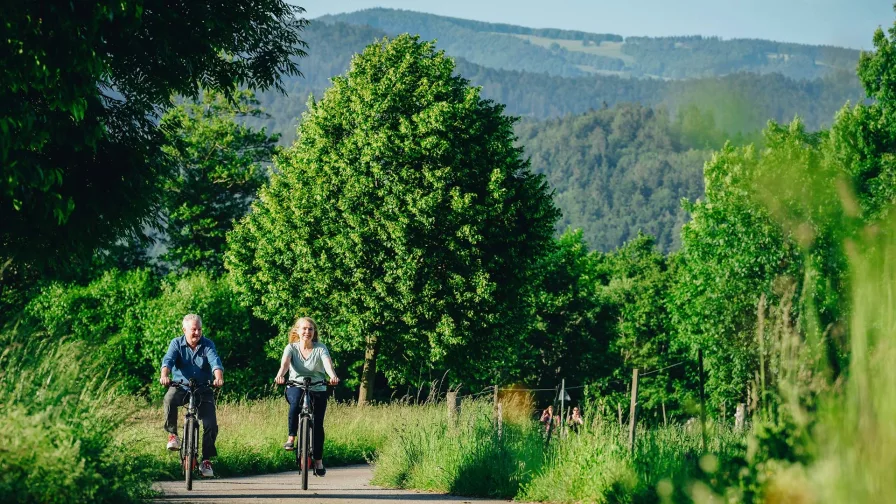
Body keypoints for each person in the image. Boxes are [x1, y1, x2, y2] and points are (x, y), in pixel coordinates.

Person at [159, 314, 224, 478]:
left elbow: (215, 361)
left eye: (199, 329)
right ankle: (173, 434)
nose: (197, 333)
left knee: (211, 424)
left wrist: (218, 378)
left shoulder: (207, 344)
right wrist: (164, 375)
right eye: (193, 329)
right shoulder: (176, 343)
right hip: (181, 386)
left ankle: (206, 460)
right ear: (184, 330)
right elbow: (168, 361)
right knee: (168, 399)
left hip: (203, 388)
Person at [274, 316, 339, 476]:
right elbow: (285, 365)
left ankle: (318, 461)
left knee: (317, 425)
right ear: (297, 330)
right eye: (304, 328)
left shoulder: (320, 348)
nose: (307, 332)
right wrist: (280, 375)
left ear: (314, 332)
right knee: (295, 404)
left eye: (310, 329)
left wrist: (332, 376)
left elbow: (327, 364)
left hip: (318, 387)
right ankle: (291, 438)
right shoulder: (291, 348)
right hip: (296, 385)